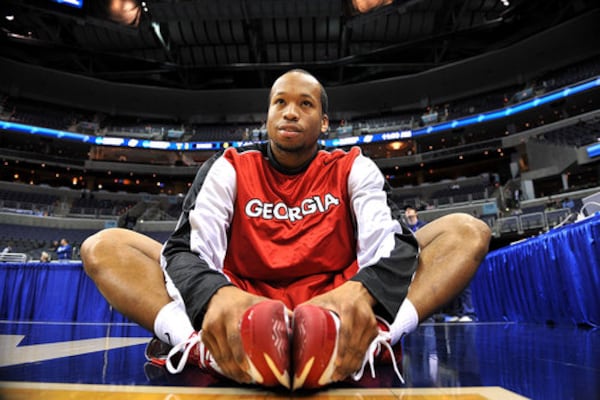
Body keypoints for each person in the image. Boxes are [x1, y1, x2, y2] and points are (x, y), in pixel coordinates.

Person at [81, 69, 491, 390]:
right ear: (268, 115)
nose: (290, 112)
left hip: (336, 307)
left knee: (466, 232)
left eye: (305, 104)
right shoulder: (230, 167)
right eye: (280, 102)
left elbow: (393, 246)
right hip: (245, 305)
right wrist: (215, 298)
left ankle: (374, 336)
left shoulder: (353, 167)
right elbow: (186, 250)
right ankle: (201, 344)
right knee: (104, 246)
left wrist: (362, 293)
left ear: (325, 122)